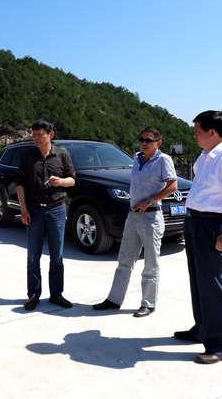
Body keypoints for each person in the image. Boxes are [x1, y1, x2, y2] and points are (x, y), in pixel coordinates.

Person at [174, 110, 222, 365]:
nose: (194, 135)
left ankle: (219, 344)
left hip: (213, 225)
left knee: (215, 286)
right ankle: (202, 329)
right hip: (196, 222)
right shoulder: (206, 156)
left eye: (198, 130)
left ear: (212, 132)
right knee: (199, 280)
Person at [93, 127, 178, 317]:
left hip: (151, 217)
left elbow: (173, 186)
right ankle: (114, 299)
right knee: (124, 260)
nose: (144, 143)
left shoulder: (164, 160)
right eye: (141, 139)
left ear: (158, 143)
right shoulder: (137, 157)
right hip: (133, 216)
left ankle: (148, 303)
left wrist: (148, 201)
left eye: (148, 140)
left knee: (150, 263)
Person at [16, 118, 76, 311]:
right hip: (34, 210)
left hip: (57, 209)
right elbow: (20, 184)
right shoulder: (27, 157)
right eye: (34, 135)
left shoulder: (62, 155)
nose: (36, 138)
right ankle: (33, 295)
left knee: (57, 256)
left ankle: (56, 294)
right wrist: (23, 210)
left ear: (50, 135)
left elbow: (73, 179)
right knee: (33, 257)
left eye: (40, 135)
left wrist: (61, 181)